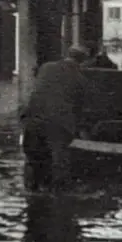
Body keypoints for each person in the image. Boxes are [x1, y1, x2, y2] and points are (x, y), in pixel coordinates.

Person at [19, 45, 93, 193]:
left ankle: (31, 191)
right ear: (84, 62)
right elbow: (80, 111)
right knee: (59, 163)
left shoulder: (46, 67)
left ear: (66, 55)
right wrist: (81, 131)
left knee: (32, 159)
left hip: (32, 118)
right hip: (58, 124)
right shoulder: (82, 80)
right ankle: (57, 197)